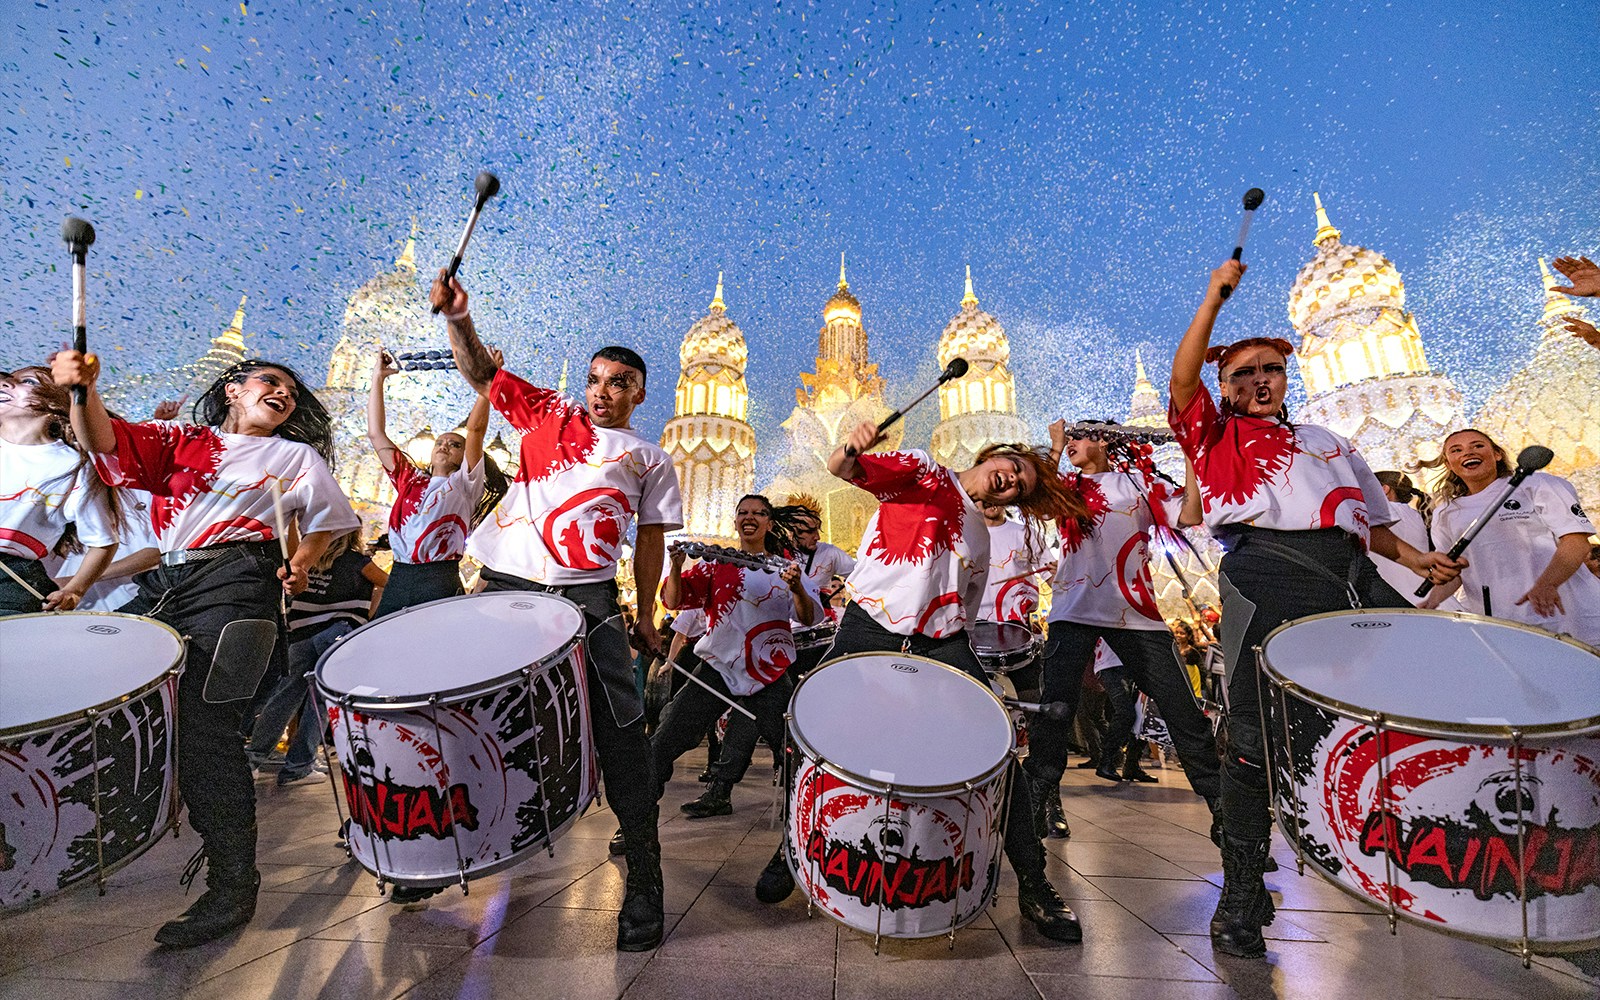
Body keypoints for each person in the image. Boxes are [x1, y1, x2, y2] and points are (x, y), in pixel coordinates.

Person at [1167, 258, 1463, 959]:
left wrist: (1416, 559)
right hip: (1268, 573)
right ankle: (1241, 891)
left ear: (1286, 376)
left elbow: (1366, 519)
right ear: (1225, 389)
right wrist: (1212, 297)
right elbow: (1181, 380)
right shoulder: (1212, 435)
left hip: (1352, 573)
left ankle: (1434, 842)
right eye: (1242, 374)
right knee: (1251, 738)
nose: (1259, 380)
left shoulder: (1328, 441)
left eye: (1270, 368)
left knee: (1421, 691)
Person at [51, 350, 359, 948]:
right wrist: (80, 391)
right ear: (231, 391)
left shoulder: (294, 457)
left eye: (292, 392)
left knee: (207, 730)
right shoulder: (178, 440)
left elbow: (327, 520)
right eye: (270, 382)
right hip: (165, 581)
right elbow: (103, 440)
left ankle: (232, 886)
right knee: (108, 703)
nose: (285, 394)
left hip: (238, 581)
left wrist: (299, 561)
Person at [754, 423, 1092, 944]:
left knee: (997, 750)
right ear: (993, 453)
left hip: (943, 641)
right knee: (817, 735)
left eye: (1022, 486)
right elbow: (845, 469)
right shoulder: (923, 472)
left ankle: (1033, 881)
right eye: (1013, 468)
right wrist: (852, 445)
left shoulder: (981, 531)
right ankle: (792, 849)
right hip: (872, 624)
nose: (1011, 481)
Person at [433, 272, 681, 951]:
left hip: (590, 596)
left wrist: (647, 616)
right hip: (509, 587)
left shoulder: (648, 456)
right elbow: (481, 371)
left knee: (622, 733)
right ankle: (433, 850)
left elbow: (651, 541)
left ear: (640, 393)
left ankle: (646, 881)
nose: (604, 390)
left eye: (621, 382)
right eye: (598, 379)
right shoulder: (547, 415)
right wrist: (461, 317)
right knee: (461, 713)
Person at [1024, 418, 1221, 837]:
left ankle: (1227, 813)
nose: (1072, 442)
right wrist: (1055, 447)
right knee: (1054, 711)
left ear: (1105, 441)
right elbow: (1038, 503)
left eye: (1079, 436)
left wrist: (1188, 452)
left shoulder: (1139, 484)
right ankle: (1039, 802)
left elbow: (1189, 514)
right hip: (1073, 611)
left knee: (1183, 711)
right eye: (1070, 437)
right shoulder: (1069, 487)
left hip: (1137, 614)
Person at [653, 495, 821, 821]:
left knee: (794, 749)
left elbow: (811, 616)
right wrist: (675, 566)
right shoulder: (715, 564)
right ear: (735, 521)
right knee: (663, 741)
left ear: (769, 523)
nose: (750, 517)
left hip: (768, 674)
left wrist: (798, 588)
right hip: (717, 666)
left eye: (759, 513)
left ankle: (806, 827)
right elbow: (673, 601)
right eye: (743, 512)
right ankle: (637, 822)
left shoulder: (786, 570)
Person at [1423, 429, 1599, 645]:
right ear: (1449, 464)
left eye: (1477, 446)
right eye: (1456, 450)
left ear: (1497, 454)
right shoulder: (1446, 512)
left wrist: (1547, 584)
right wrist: (1431, 601)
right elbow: (1453, 571)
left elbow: (1576, 541)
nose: (1468, 453)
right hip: (1504, 627)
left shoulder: (1536, 484)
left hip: (1570, 616)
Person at [367, 347, 505, 617]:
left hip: (438, 579)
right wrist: (377, 378)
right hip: (398, 576)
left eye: (454, 445)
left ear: (465, 456)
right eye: (440, 442)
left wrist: (488, 383)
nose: (444, 446)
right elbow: (376, 434)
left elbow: (475, 430)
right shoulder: (410, 480)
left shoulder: (466, 484)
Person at [247, 529, 387, 784]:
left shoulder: (307, 561)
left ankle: (251, 761)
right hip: (336, 633)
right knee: (320, 703)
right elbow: (388, 583)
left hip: (301, 634)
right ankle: (298, 766)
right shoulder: (359, 562)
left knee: (285, 697)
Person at [0, 366, 118, 614]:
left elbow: (103, 542)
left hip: (12, 581)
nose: (7, 384)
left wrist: (74, 589)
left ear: (55, 404)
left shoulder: (72, 466)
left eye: (28, 382)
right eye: (7, 380)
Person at [1370, 470, 1432, 605]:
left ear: (1384, 489)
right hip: (1425, 593)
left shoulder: (1387, 510)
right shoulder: (1415, 514)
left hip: (1405, 598)